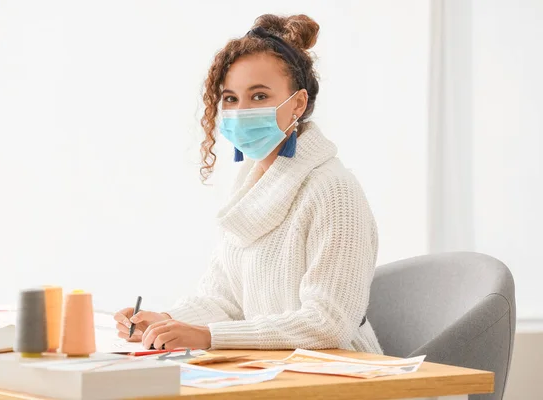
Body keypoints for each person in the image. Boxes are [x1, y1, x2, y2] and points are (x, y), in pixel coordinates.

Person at [114, 13, 383, 354]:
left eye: (259, 97)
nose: (241, 111)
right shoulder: (251, 185)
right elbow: (224, 299)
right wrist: (166, 322)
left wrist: (210, 337)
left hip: (342, 374)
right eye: (230, 98)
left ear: (297, 103)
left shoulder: (333, 190)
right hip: (272, 367)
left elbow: (328, 325)